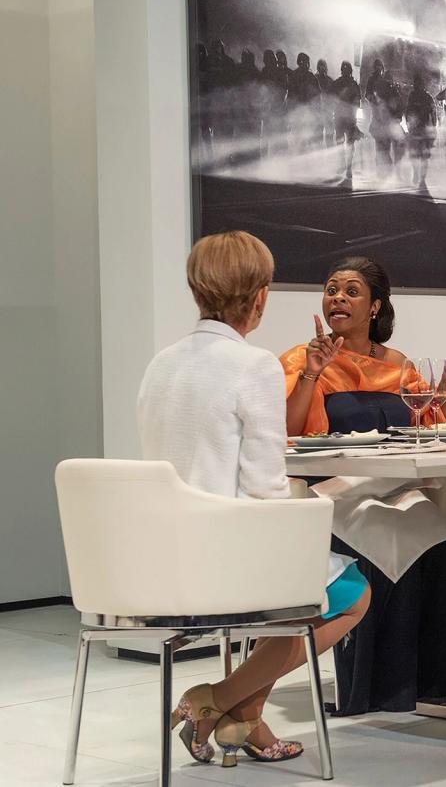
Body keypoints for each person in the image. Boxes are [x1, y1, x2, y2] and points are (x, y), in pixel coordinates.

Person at [140, 231, 370, 766]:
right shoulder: (254, 365)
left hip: (161, 557)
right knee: (352, 593)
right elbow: (267, 487)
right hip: (226, 555)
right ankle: (214, 701)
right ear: (260, 296)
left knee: (310, 586)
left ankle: (246, 721)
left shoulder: (160, 364)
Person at [279, 256, 446, 713]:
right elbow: (286, 432)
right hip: (333, 491)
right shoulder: (303, 358)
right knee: (381, 540)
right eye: (331, 289)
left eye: (351, 291)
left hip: (393, 489)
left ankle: (430, 684)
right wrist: (311, 373)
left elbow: (431, 426)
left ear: (374, 307)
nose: (337, 298)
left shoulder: (398, 365)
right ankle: (377, 688)